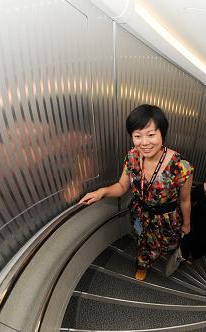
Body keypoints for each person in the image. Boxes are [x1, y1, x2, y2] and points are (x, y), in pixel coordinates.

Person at [80, 104, 193, 281]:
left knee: (161, 244)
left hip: (165, 218)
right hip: (141, 213)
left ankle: (155, 256)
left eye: (151, 134)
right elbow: (122, 186)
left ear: (162, 133)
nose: (144, 143)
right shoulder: (132, 157)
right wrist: (102, 192)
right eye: (137, 136)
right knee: (141, 242)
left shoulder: (181, 166)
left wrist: (187, 223)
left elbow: (185, 200)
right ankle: (142, 265)